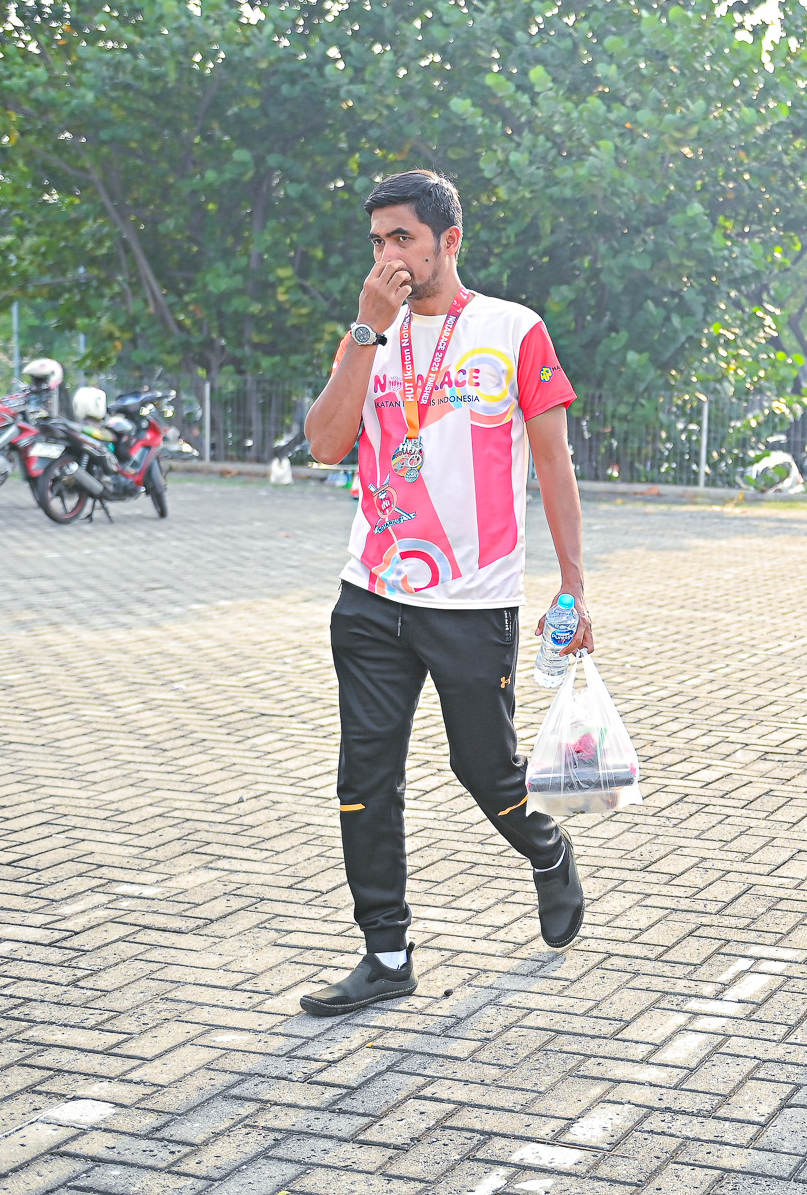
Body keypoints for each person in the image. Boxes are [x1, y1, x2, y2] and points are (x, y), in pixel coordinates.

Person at [297, 169, 594, 1017]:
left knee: (485, 769)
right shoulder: (368, 335)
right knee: (365, 777)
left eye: (403, 238)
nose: (388, 256)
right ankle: (386, 954)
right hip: (371, 593)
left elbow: (553, 463)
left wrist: (573, 586)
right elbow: (324, 444)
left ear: (449, 241)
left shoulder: (513, 329)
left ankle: (546, 849)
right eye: (377, 241)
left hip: (473, 599)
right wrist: (366, 331)